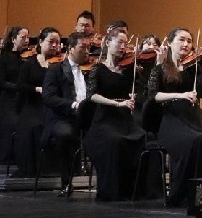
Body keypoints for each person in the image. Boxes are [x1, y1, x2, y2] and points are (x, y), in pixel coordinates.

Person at [148, 28, 202, 206]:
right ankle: (186, 193)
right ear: (170, 43)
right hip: (172, 120)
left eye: (189, 41)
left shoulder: (193, 67)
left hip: (193, 117)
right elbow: (153, 95)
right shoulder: (160, 68)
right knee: (195, 141)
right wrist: (180, 95)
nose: (186, 44)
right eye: (181, 40)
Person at [83, 27, 146, 200]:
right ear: (108, 43)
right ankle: (113, 190)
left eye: (125, 43)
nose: (123, 47)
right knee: (115, 141)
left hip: (125, 120)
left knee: (142, 138)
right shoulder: (97, 68)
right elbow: (92, 95)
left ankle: (134, 191)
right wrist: (117, 103)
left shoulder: (128, 69)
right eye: (119, 42)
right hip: (104, 119)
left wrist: (135, 94)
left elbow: (143, 90)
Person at [41, 31, 91, 197]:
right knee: (65, 134)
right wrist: (72, 104)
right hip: (63, 118)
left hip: (87, 118)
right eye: (83, 47)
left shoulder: (90, 71)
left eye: (88, 47)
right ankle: (66, 181)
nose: (87, 51)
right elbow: (48, 97)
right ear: (70, 48)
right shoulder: (55, 70)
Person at [13, 27, 61, 178]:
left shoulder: (60, 65)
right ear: (40, 42)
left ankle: (52, 169)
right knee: (33, 126)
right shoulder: (29, 63)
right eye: (51, 42)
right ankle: (32, 168)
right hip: (33, 104)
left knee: (53, 126)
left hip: (52, 106)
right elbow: (20, 86)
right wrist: (36, 89)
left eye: (57, 42)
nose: (55, 45)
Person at [0, 26, 29, 163]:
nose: (27, 40)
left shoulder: (27, 59)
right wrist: (19, 87)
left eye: (28, 37)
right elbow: (1, 82)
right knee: (13, 124)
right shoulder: (4, 59)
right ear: (13, 39)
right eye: (23, 37)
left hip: (23, 98)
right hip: (8, 99)